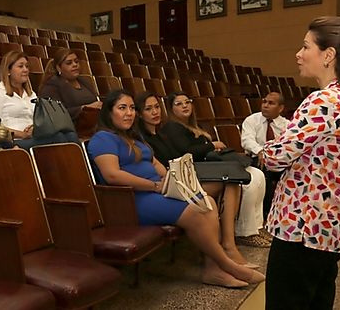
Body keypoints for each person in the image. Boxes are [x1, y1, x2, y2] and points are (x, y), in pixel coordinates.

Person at [87, 90, 265, 288]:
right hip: (133, 199)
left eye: (131, 108)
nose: (129, 113)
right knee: (197, 212)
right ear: (108, 112)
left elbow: (157, 165)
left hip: (157, 191)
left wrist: (172, 182)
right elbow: (112, 175)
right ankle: (228, 265)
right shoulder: (103, 139)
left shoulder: (134, 138)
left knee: (208, 202)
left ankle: (213, 269)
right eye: (122, 108)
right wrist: (154, 185)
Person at [263, 16, 340, 310]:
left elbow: (275, 156)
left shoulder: (323, 101)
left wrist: (265, 149)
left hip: (303, 227)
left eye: (305, 46)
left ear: (328, 55)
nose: (298, 53)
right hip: (331, 227)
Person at [154, 91, 269, 253]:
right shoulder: (173, 127)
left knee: (258, 175)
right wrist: (212, 145)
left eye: (187, 102)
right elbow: (186, 152)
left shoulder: (194, 126)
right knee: (247, 180)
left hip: (211, 165)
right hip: (198, 170)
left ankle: (257, 227)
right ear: (171, 109)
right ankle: (244, 231)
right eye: (178, 104)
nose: (184, 106)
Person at [0, 51, 79, 149]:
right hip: (13, 141)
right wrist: (22, 134)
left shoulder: (31, 94)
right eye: (21, 66)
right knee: (59, 138)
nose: (25, 70)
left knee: (70, 135)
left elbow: (38, 119)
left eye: (27, 66)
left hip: (35, 136)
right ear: (8, 71)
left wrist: (35, 128)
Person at [240, 91, 290, 218]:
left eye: (271, 103)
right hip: (257, 159)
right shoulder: (252, 120)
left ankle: (284, 213)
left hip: (279, 161)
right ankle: (263, 214)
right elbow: (247, 141)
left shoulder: (287, 125)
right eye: (264, 102)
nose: (265, 105)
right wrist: (261, 151)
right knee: (264, 171)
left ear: (281, 108)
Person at [38, 48, 102, 122]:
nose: (74, 65)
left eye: (76, 61)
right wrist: (84, 108)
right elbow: (55, 113)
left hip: (93, 123)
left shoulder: (83, 81)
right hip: (72, 128)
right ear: (59, 68)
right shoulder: (52, 85)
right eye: (69, 63)